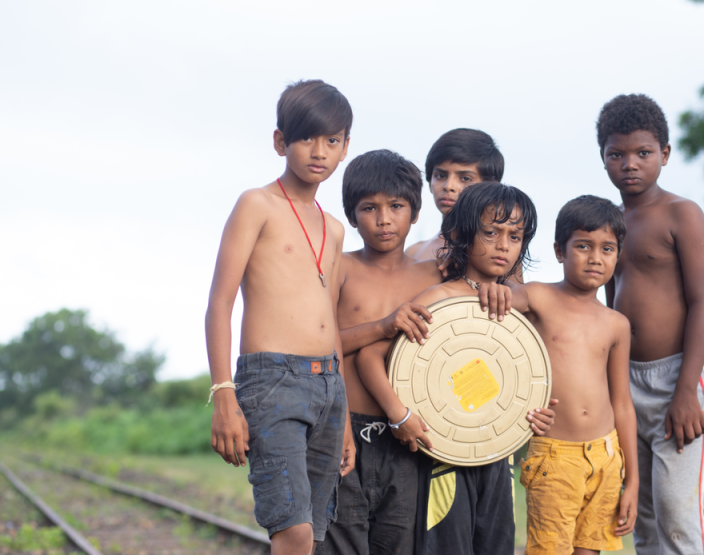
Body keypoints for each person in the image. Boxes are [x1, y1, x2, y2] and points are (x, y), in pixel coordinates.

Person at [357, 182, 556, 555]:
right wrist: (399, 416)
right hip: (442, 460)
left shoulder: (514, 311)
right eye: (491, 232)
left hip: (498, 460)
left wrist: (535, 416)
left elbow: (522, 383)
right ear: (463, 234)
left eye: (515, 236)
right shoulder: (439, 299)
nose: (503, 245)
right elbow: (370, 357)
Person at [206, 79, 356, 555]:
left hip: (328, 384)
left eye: (332, 140)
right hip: (272, 380)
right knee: (290, 529)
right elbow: (219, 304)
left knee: (312, 532)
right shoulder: (257, 204)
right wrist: (224, 395)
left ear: (345, 147)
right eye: (307, 138)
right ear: (280, 142)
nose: (319, 151)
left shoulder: (333, 228)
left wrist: (345, 414)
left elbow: (329, 320)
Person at [475, 195, 639, 555]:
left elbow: (623, 404)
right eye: (583, 246)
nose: (595, 257)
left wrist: (634, 481)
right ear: (559, 250)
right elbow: (498, 299)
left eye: (607, 248)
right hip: (554, 455)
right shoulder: (538, 298)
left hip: (607, 456)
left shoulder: (617, 324)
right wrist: (493, 288)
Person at [597, 94, 704, 555]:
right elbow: (610, 302)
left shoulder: (680, 214)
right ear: (604, 158)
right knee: (641, 512)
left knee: (677, 512)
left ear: (665, 154)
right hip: (628, 378)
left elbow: (702, 301)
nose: (630, 164)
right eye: (617, 154)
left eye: (643, 153)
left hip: (679, 374)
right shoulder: (611, 223)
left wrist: (687, 390)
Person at [317, 149, 441, 555]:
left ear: (416, 212)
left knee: (399, 544)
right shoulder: (341, 268)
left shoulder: (434, 277)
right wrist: (382, 326)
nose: (384, 219)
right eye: (369, 208)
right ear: (352, 216)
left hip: (406, 435)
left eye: (396, 206)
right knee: (340, 540)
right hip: (344, 427)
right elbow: (320, 342)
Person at [406, 128, 504, 263]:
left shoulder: (501, 250)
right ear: (429, 182)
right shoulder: (414, 253)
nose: (448, 186)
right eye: (440, 176)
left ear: (490, 186)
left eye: (465, 178)